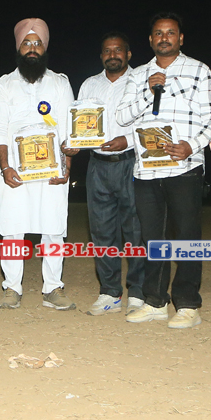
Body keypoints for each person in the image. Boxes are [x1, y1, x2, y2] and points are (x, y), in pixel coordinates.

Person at [115, 12, 211, 329]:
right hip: (147, 171)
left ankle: (188, 304)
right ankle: (155, 302)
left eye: (171, 32)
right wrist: (147, 92)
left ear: (181, 38)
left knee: (187, 236)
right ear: (151, 40)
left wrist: (193, 145)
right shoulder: (138, 75)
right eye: (159, 33)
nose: (164, 38)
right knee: (153, 238)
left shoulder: (199, 70)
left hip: (184, 165)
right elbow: (122, 117)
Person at [0, 18, 76, 311]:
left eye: (37, 43)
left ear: (45, 48)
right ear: (18, 48)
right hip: (15, 170)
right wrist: (5, 167)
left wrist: (66, 167)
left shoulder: (60, 83)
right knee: (12, 229)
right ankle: (12, 288)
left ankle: (52, 288)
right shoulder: (4, 84)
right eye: (26, 43)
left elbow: (68, 130)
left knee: (53, 228)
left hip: (51, 171)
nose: (32, 48)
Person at [77, 33, 145, 316]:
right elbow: (79, 123)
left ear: (128, 54)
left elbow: (150, 121)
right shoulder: (89, 84)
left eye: (118, 50)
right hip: (97, 165)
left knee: (136, 231)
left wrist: (127, 140)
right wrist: (75, 141)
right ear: (101, 55)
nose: (112, 55)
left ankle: (138, 293)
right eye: (107, 50)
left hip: (131, 161)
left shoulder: (141, 81)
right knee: (102, 231)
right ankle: (109, 292)